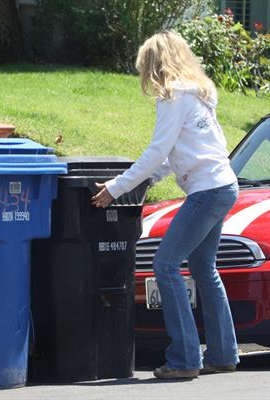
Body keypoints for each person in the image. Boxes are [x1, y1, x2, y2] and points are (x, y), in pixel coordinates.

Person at [91, 30, 240, 379]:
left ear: (155, 65)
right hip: (223, 186)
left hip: (207, 191)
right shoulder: (200, 94)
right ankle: (223, 354)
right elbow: (179, 153)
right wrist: (149, 180)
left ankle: (185, 359)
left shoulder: (172, 96)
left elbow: (158, 150)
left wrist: (116, 186)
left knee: (165, 264)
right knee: (203, 268)